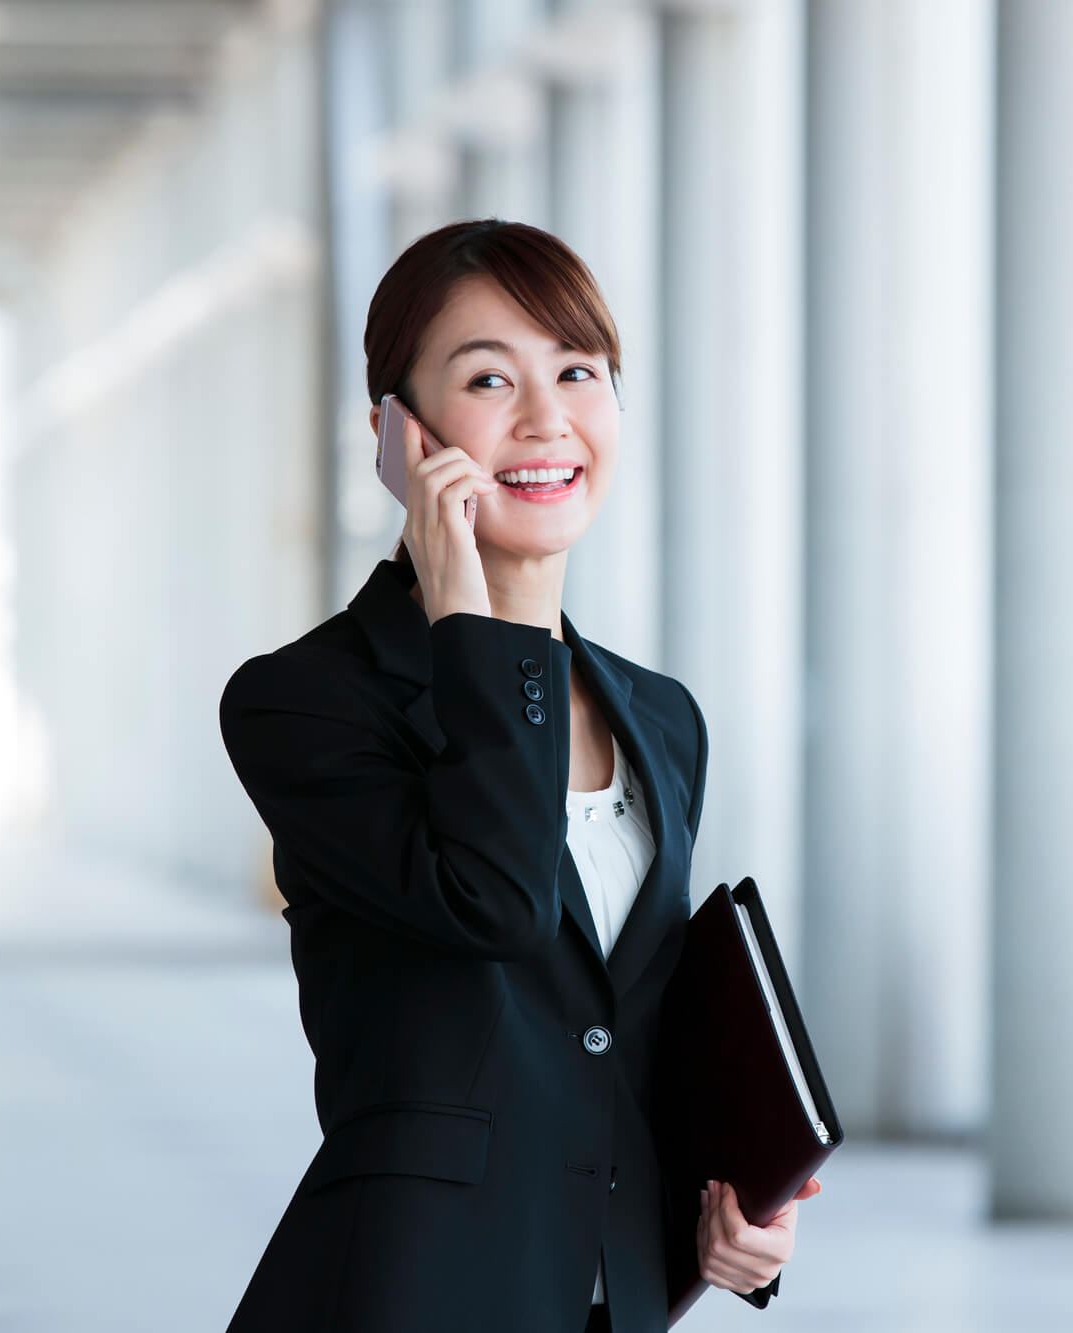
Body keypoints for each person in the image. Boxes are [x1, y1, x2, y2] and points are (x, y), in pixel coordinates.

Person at [216, 218, 821, 1332]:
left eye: (579, 371)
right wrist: (469, 622)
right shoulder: (304, 702)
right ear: (397, 431)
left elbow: (622, 1043)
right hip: (408, 1294)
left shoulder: (660, 716)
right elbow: (491, 900)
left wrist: (734, 1213)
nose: (547, 420)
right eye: (489, 377)